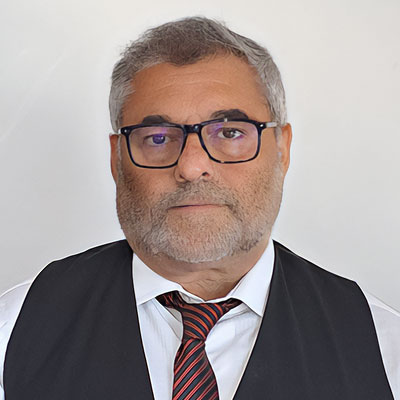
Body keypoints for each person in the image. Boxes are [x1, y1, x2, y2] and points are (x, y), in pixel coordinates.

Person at [0, 16, 399, 400]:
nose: (192, 167)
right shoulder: (14, 328)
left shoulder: (383, 346)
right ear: (116, 159)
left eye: (230, 132)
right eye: (158, 138)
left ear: (282, 149)